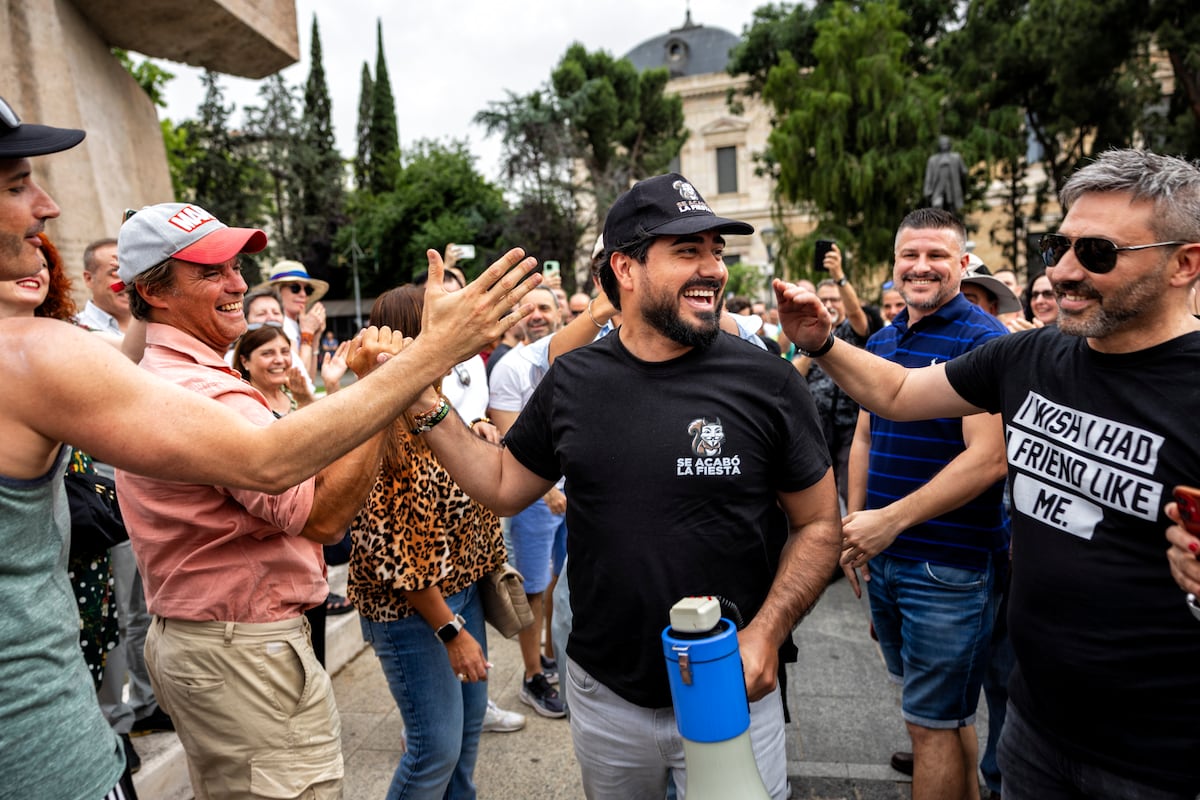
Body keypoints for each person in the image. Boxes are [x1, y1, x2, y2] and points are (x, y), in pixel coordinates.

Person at [0, 94, 542, 800]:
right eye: (211, 270)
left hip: (213, 651)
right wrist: (415, 364)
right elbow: (308, 505)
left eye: (237, 266)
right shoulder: (179, 385)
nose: (238, 284)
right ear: (153, 293)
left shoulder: (173, 369)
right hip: (231, 654)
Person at [401, 173, 841, 799]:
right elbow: (501, 485)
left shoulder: (767, 380)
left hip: (729, 685)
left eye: (715, 250)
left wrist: (767, 631)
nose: (713, 268)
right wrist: (423, 401)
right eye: (687, 251)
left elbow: (820, 523)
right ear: (625, 269)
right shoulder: (574, 378)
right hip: (605, 693)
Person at [777, 148, 1200, 798]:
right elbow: (895, 396)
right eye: (1057, 248)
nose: (1061, 273)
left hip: (1159, 756)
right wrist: (823, 343)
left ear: (1185, 263)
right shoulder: (1032, 355)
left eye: (1097, 253)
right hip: (1035, 728)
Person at [838, 208, 1008, 800]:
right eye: (910, 254)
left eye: (937, 255)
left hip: (947, 564)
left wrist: (888, 522)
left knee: (929, 726)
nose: (921, 266)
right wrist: (855, 531)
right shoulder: (883, 340)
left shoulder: (983, 341)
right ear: (893, 266)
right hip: (883, 553)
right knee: (942, 718)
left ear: (963, 264)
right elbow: (864, 436)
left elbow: (989, 458)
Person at [348, 285, 510, 799]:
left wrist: (479, 430)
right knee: (433, 750)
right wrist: (451, 632)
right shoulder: (381, 422)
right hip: (416, 612)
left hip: (461, 593)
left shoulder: (433, 402)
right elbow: (398, 551)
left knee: (464, 739)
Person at [487, 285, 568, 718]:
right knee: (534, 589)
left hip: (573, 494)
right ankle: (532, 675)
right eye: (527, 309)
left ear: (558, 313)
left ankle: (555, 658)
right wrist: (550, 490)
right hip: (536, 498)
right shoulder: (510, 367)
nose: (536, 315)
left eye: (544, 308)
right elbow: (510, 443)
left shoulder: (574, 356)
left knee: (563, 583)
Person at [793, 244, 870, 511]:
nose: (829, 304)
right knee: (819, 499)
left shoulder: (852, 328)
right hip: (817, 425)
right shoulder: (805, 331)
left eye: (834, 299)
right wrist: (815, 343)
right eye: (823, 299)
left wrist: (839, 276)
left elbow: (859, 316)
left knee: (851, 490)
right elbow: (794, 374)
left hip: (850, 425)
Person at [253, 259, 329, 377]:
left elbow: (309, 381)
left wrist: (315, 336)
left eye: (307, 289)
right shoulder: (275, 324)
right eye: (295, 288)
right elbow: (296, 377)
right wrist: (308, 334)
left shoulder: (297, 324)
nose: (303, 294)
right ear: (277, 290)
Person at [76, 237, 130, 337]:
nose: (128, 282)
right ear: (89, 279)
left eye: (133, 272)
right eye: (115, 272)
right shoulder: (75, 329)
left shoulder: (155, 324)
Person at [924, 134, 967, 212]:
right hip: (937, 193)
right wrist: (927, 191)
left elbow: (964, 173)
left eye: (945, 143)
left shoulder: (956, 157)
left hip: (953, 192)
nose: (944, 146)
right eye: (942, 144)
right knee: (938, 214)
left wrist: (962, 188)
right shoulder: (933, 160)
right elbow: (929, 177)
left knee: (952, 215)